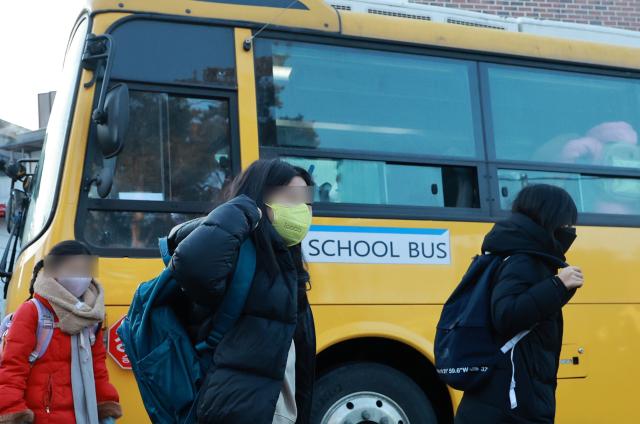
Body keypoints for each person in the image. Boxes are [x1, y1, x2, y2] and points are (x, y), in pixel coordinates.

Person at [167, 158, 316, 423]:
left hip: (278, 411)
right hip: (236, 410)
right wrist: (241, 208)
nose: (302, 211)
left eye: (307, 204)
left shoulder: (286, 265)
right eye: (292, 199)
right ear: (261, 198)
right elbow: (191, 266)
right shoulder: (236, 255)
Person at [455, 184, 584, 424]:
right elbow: (506, 315)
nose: (569, 230)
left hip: (504, 399)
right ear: (550, 218)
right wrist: (556, 285)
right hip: (511, 403)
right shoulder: (522, 260)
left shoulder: (518, 255)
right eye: (566, 222)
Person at [0, 241, 122, 424]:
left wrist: (106, 408)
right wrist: (12, 412)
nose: (80, 277)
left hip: (82, 417)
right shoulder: (33, 311)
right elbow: (12, 368)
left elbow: (98, 370)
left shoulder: (91, 316)